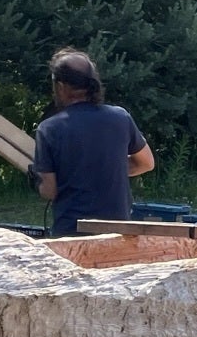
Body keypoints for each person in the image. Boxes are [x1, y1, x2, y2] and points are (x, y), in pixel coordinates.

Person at [30, 50, 155, 235]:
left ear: (61, 86)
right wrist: (106, 169)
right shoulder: (120, 118)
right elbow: (146, 163)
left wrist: (35, 181)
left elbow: (50, 190)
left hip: (72, 233)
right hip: (118, 231)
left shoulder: (49, 128)